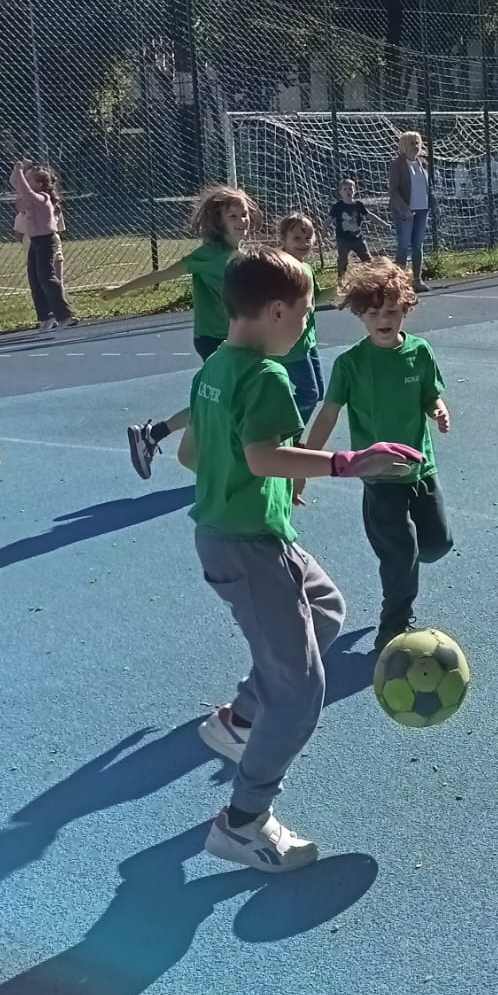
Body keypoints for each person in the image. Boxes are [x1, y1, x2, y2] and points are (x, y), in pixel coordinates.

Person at [172, 246, 421, 872]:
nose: (307, 326)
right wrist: (347, 462)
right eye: (306, 313)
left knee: (326, 607)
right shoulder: (266, 376)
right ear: (278, 311)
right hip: (250, 546)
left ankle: (240, 720)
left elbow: (190, 456)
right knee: (301, 693)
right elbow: (263, 458)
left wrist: (239, 478)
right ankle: (243, 822)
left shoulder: (214, 368)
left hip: (238, 535)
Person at [306, 258, 454, 647]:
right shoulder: (351, 364)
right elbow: (328, 415)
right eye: (373, 314)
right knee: (401, 554)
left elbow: (430, 394)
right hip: (378, 476)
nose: (383, 320)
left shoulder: (420, 352)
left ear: (405, 308)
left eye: (391, 311)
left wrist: (438, 409)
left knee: (437, 545)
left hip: (420, 470)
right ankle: (393, 626)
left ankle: (403, 561)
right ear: (360, 315)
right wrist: (303, 464)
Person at [115, 186, 259, 478]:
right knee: (228, 397)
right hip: (214, 338)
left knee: (229, 397)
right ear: (219, 222)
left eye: (244, 214)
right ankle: (169, 440)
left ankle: (155, 435)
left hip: (235, 337)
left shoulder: (241, 256)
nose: (241, 220)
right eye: (233, 216)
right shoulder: (208, 255)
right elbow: (165, 274)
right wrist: (119, 290)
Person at [275, 213, 327, 503]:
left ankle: (288, 434)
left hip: (308, 342)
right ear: (282, 239)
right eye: (296, 237)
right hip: (292, 344)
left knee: (317, 391)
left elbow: (316, 299)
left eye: (308, 237)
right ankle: (288, 437)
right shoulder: (283, 269)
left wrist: (343, 291)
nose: (304, 242)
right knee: (309, 393)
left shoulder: (306, 268)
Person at [12, 157, 76, 329]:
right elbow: (16, 184)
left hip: (46, 241)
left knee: (46, 277)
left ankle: (65, 316)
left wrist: (20, 171)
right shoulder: (30, 198)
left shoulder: (43, 198)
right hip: (35, 242)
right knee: (34, 278)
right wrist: (19, 170)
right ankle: (46, 317)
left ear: (40, 184)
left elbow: (26, 190)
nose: (26, 182)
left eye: (30, 180)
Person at [387, 131, 432, 292]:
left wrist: (433, 204)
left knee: (418, 246)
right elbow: (393, 190)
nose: (415, 146)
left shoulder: (423, 163)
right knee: (404, 246)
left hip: (422, 209)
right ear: (404, 146)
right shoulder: (396, 165)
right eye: (411, 143)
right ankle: (399, 282)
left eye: (417, 143)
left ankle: (417, 280)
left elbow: (429, 187)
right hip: (405, 211)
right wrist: (404, 209)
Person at [330, 177, 370, 277]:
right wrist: (323, 231)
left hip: (358, 238)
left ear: (354, 191)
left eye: (350, 188)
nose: (348, 191)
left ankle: (371, 276)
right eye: (345, 189)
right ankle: (341, 279)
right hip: (343, 239)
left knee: (367, 259)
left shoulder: (358, 205)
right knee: (343, 260)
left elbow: (369, 215)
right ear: (340, 192)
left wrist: (382, 223)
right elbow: (328, 220)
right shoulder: (337, 206)